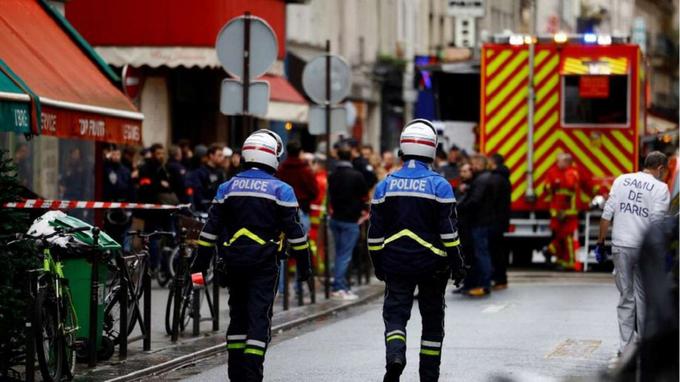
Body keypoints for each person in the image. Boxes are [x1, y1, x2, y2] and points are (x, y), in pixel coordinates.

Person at [191, 130, 311, 382]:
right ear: (272, 156)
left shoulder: (227, 188)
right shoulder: (282, 190)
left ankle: (235, 374)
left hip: (232, 264)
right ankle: (252, 375)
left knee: (237, 317)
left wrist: (197, 268)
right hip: (264, 265)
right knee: (258, 319)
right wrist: (304, 267)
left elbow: (208, 232)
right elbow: (296, 234)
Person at [368, 119, 465, 382]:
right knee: (432, 323)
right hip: (433, 266)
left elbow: (374, 235)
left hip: (396, 263)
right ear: (432, 149)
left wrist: (378, 263)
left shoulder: (385, 185)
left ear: (403, 148)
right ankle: (428, 377)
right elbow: (449, 233)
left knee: (395, 316)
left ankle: (395, 356)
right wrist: (457, 264)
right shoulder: (440, 186)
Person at [595, 151, 670, 357]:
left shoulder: (622, 180)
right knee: (644, 297)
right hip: (644, 249)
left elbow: (607, 214)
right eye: (666, 172)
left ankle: (624, 347)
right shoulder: (660, 188)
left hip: (620, 246)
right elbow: (657, 223)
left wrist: (600, 242)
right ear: (660, 168)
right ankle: (645, 346)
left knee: (625, 297)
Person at [328, 143, 369, 300]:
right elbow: (364, 196)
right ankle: (339, 287)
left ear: (338, 156)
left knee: (339, 254)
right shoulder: (356, 175)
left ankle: (341, 285)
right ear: (351, 157)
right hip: (350, 220)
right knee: (344, 255)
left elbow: (330, 195)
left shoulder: (332, 175)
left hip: (336, 218)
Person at [457, 154, 495, 297]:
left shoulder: (481, 179)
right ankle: (480, 283)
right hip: (481, 221)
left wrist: (458, 208)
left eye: (473, 163)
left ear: (479, 163)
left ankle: (484, 285)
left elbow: (475, 200)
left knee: (481, 254)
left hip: (479, 222)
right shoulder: (482, 178)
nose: (471, 166)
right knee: (480, 254)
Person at [137, 143, 179, 271]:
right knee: (154, 239)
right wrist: (160, 184)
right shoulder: (146, 168)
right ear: (153, 154)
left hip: (166, 210)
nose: (161, 156)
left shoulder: (164, 168)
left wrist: (162, 185)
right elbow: (146, 188)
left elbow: (171, 186)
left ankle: (167, 267)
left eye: (162, 153)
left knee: (171, 237)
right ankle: (153, 266)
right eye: (158, 154)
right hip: (152, 211)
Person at [544, 153, 580, 270]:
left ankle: (569, 262)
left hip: (568, 212)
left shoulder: (572, 173)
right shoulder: (554, 172)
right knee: (559, 237)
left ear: (567, 162)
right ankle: (558, 257)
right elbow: (548, 188)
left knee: (567, 238)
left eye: (560, 161)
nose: (558, 163)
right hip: (558, 212)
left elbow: (571, 189)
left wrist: (567, 212)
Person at [277, 140, 319, 233]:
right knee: (301, 240)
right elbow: (314, 191)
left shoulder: (281, 170)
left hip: (282, 209)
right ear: (300, 153)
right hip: (302, 208)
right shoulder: (305, 171)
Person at [102, 146, 135, 248]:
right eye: (113, 154)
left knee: (125, 236)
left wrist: (130, 207)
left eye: (117, 154)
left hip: (124, 206)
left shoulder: (125, 170)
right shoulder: (106, 168)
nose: (116, 157)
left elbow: (131, 188)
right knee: (111, 236)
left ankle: (125, 256)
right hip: (111, 206)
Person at [488, 153, 511, 290]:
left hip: (494, 220)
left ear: (493, 162)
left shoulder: (496, 179)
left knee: (495, 251)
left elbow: (491, 200)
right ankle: (500, 279)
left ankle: (500, 279)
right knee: (498, 250)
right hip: (500, 219)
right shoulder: (503, 177)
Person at [187, 144, 226, 212]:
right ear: (211, 155)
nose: (222, 158)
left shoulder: (221, 172)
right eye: (219, 155)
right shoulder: (200, 172)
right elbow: (199, 195)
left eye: (222, 155)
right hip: (206, 210)